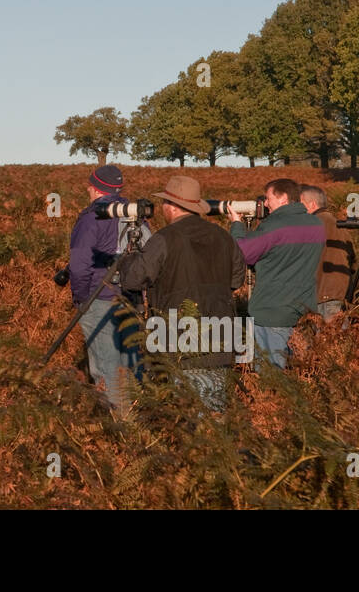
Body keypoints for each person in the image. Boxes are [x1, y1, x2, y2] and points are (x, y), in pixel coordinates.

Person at [117, 175, 245, 411]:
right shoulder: (224, 237)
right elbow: (237, 280)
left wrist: (128, 258)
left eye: (165, 203)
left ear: (172, 207)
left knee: (184, 417)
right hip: (221, 338)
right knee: (214, 417)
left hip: (176, 341)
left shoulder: (164, 238)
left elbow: (133, 280)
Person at [66, 165, 152, 411]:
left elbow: (80, 266)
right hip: (130, 298)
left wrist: (82, 299)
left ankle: (120, 428)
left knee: (107, 366)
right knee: (131, 362)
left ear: (94, 189)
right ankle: (140, 415)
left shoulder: (92, 218)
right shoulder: (134, 214)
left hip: (99, 298)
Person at [225, 178, 324, 368]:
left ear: (283, 198)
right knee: (300, 373)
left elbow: (242, 252)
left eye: (268, 198)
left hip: (272, 312)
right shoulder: (316, 225)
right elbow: (281, 256)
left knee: (272, 379)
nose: (266, 203)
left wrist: (237, 225)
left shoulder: (274, 225)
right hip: (304, 311)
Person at [299, 185, 353, 323]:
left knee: (319, 342)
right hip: (339, 295)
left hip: (320, 296)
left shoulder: (310, 225)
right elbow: (353, 261)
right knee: (336, 341)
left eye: (300, 205)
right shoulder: (340, 225)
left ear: (312, 205)